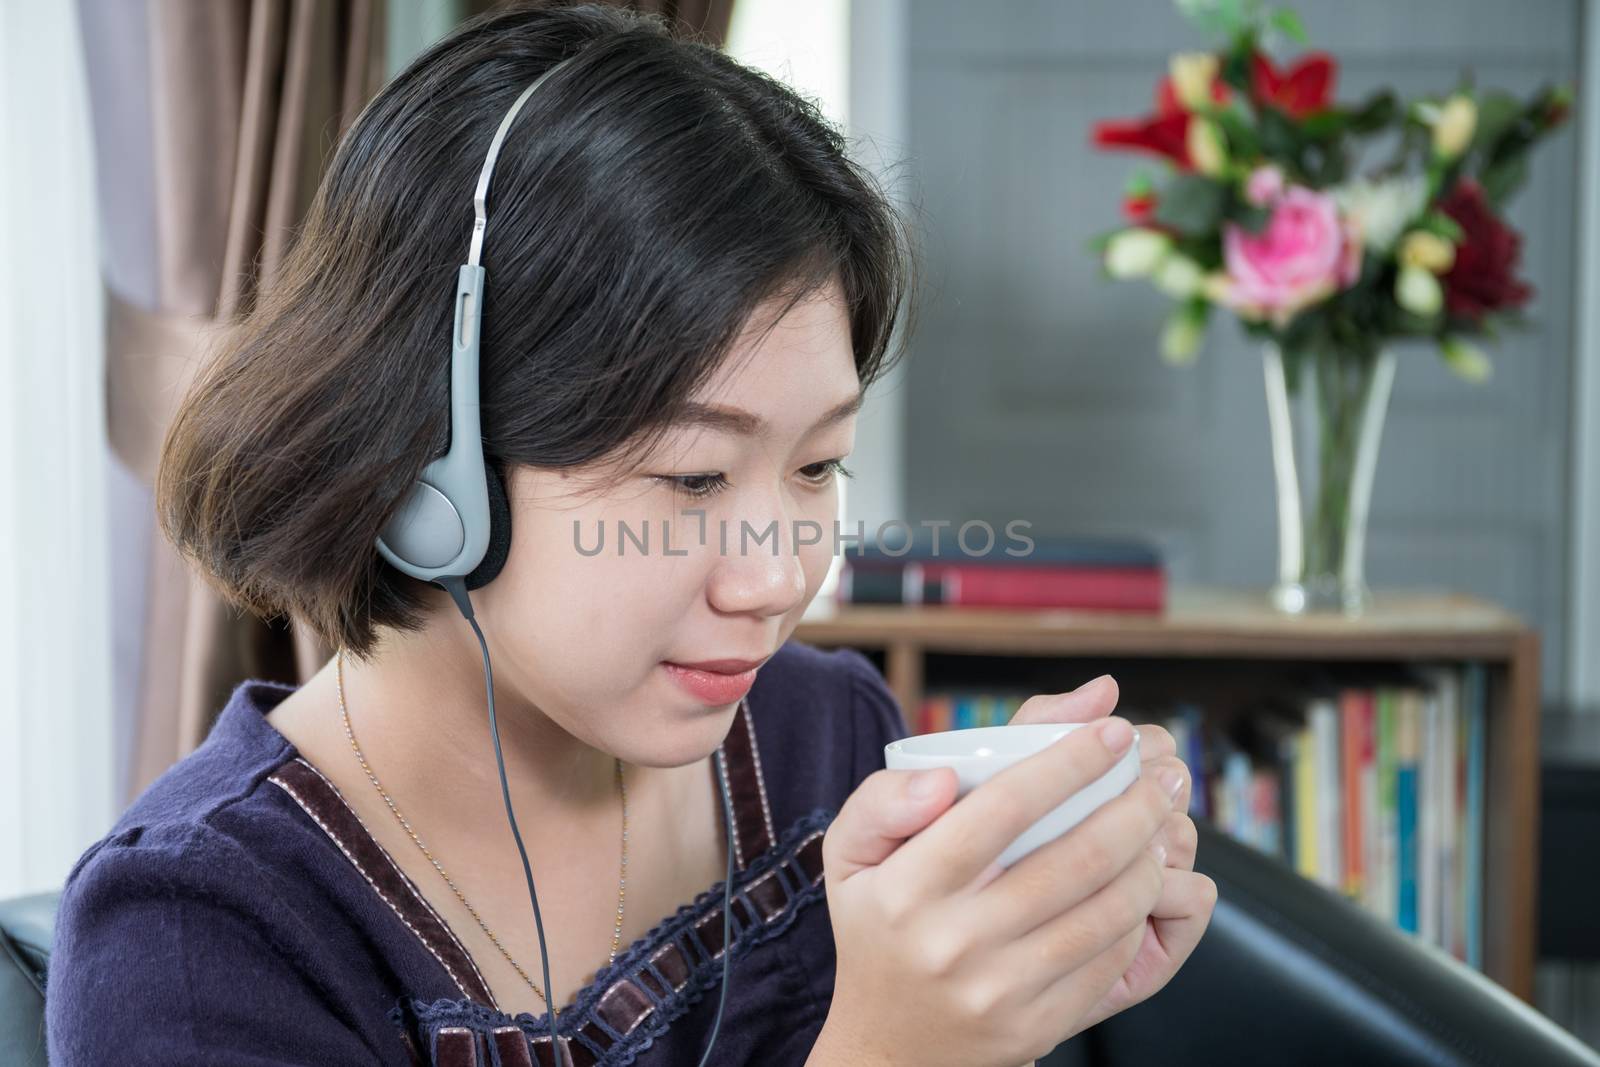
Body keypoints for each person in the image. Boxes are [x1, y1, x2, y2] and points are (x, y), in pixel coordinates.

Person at [44, 3, 1215, 1065]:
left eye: (818, 463)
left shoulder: (822, 739)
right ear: (426, 462)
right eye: (691, 477)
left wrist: (1027, 992)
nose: (775, 580)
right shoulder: (198, 937)